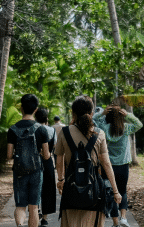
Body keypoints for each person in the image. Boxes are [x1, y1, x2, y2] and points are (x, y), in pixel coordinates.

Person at [55, 96, 122, 227]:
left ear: (73, 113)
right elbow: (106, 163)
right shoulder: (99, 133)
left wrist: (61, 180)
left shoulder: (64, 132)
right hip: (95, 190)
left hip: (71, 188)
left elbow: (59, 160)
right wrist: (115, 191)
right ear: (91, 113)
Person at [93, 105, 143, 227]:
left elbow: (93, 120)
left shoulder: (103, 128)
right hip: (123, 165)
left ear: (108, 116)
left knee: (111, 192)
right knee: (122, 191)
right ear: (121, 116)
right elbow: (139, 124)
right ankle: (124, 218)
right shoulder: (125, 128)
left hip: (108, 166)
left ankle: (115, 222)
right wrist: (127, 115)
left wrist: (102, 113)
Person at [7, 94, 52, 227]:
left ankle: (20, 225)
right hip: (36, 172)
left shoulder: (12, 129)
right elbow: (47, 155)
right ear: (36, 110)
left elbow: (9, 155)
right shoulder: (42, 129)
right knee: (33, 207)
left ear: (21, 108)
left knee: (20, 205)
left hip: (19, 172)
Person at [34, 107, 56, 226]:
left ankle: (36, 211)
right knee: (48, 189)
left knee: (36, 188)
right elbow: (54, 148)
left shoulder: (33, 129)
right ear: (46, 118)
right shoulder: (52, 130)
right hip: (47, 163)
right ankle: (45, 218)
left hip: (35, 162)